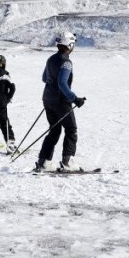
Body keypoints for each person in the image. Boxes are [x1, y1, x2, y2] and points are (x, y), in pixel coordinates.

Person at [34, 31, 86, 172]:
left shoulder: (50, 59)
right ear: (70, 45)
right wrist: (75, 99)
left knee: (54, 130)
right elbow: (62, 84)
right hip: (61, 101)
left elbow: (45, 78)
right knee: (71, 130)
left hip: (47, 99)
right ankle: (67, 161)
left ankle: (44, 162)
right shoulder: (66, 63)